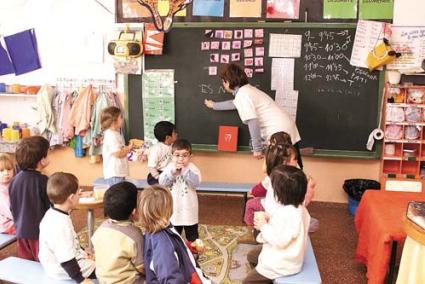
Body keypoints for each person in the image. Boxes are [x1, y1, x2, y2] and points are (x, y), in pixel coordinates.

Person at [204, 63, 302, 167]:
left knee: (282, 171)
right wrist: (214, 105)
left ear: (227, 82)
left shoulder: (242, 95)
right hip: (285, 128)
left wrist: (257, 148)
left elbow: (252, 121)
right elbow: (234, 103)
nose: (223, 84)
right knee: (293, 168)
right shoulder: (246, 91)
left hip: (279, 131)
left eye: (223, 81)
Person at [243, 165, 311, 283]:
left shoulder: (288, 213)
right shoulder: (297, 208)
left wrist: (263, 226)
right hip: (290, 257)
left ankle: (266, 279)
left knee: (248, 282)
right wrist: (270, 218)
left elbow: (279, 241)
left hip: (281, 264)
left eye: (273, 188)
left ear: (280, 193)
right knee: (252, 255)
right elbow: (287, 228)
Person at [139, 185, 210, 283]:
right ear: (167, 209)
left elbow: (174, 245)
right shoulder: (161, 244)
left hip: (190, 273)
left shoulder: (163, 227)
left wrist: (187, 247)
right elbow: (170, 278)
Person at [39, 172, 96, 283]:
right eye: (78, 193)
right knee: (107, 267)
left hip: (54, 265)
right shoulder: (60, 224)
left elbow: (69, 242)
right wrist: (81, 280)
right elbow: (67, 260)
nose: (80, 194)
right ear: (71, 198)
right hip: (63, 270)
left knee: (96, 257)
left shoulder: (52, 213)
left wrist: (83, 252)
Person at [91, 181, 145, 284]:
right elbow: (142, 268)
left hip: (103, 280)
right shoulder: (135, 235)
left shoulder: (101, 228)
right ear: (134, 211)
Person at [9, 136, 51, 261]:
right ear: (42, 160)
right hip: (39, 233)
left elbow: (12, 206)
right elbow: (51, 207)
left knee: (27, 263)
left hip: (21, 232)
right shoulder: (43, 181)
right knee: (43, 263)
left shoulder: (14, 180)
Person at [159, 139, 201, 242]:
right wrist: (172, 173)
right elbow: (162, 183)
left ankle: (193, 255)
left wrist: (185, 171)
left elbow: (195, 183)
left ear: (190, 156)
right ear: (172, 156)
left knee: (192, 237)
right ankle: (175, 254)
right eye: (177, 155)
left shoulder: (193, 168)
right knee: (173, 236)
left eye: (185, 155)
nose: (181, 159)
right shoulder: (169, 167)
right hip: (173, 210)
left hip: (189, 210)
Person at [100, 106, 133, 186]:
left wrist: (127, 148)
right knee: (117, 196)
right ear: (114, 121)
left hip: (118, 172)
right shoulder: (111, 135)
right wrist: (129, 148)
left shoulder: (116, 133)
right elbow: (118, 154)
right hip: (114, 173)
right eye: (121, 117)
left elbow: (119, 149)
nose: (123, 119)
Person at [147, 121, 177, 185]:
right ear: (167, 137)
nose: (176, 134)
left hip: (168, 173)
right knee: (160, 192)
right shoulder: (157, 148)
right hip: (158, 175)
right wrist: (158, 177)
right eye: (174, 133)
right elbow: (151, 166)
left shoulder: (173, 146)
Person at [0, 153, 16, 234]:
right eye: (1, 171)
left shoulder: (13, 183)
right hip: (6, 225)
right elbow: (9, 212)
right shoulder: (1, 191)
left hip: (14, 220)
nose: (6, 173)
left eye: (9, 169)